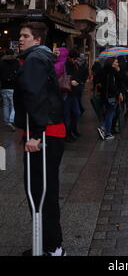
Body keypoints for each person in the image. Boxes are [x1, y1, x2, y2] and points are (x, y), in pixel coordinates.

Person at [13, 22, 66, 256]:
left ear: (37, 40)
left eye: (25, 36)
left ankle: (52, 247)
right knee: (44, 190)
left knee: (40, 190)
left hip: (44, 135)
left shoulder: (34, 59)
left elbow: (35, 97)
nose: (20, 40)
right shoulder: (40, 58)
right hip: (49, 131)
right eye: (20, 36)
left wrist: (34, 135)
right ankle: (46, 244)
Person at [97, 57, 124, 140]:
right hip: (111, 96)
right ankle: (106, 131)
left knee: (110, 112)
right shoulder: (112, 72)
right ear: (112, 63)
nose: (117, 64)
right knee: (110, 113)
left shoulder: (104, 71)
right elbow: (113, 86)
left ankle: (104, 129)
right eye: (116, 62)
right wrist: (118, 93)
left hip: (105, 96)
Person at [64, 50, 83, 142]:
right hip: (68, 93)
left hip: (75, 93)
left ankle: (71, 130)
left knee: (77, 113)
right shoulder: (65, 65)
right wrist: (70, 82)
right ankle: (67, 134)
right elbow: (62, 78)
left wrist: (78, 81)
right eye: (74, 59)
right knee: (67, 115)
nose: (76, 60)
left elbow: (79, 77)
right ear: (70, 58)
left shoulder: (76, 65)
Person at [0, 48, 19, 131]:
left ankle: (7, 121)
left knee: (6, 105)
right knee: (14, 105)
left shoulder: (1, 63)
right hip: (13, 87)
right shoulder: (16, 62)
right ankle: (11, 120)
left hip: (4, 87)